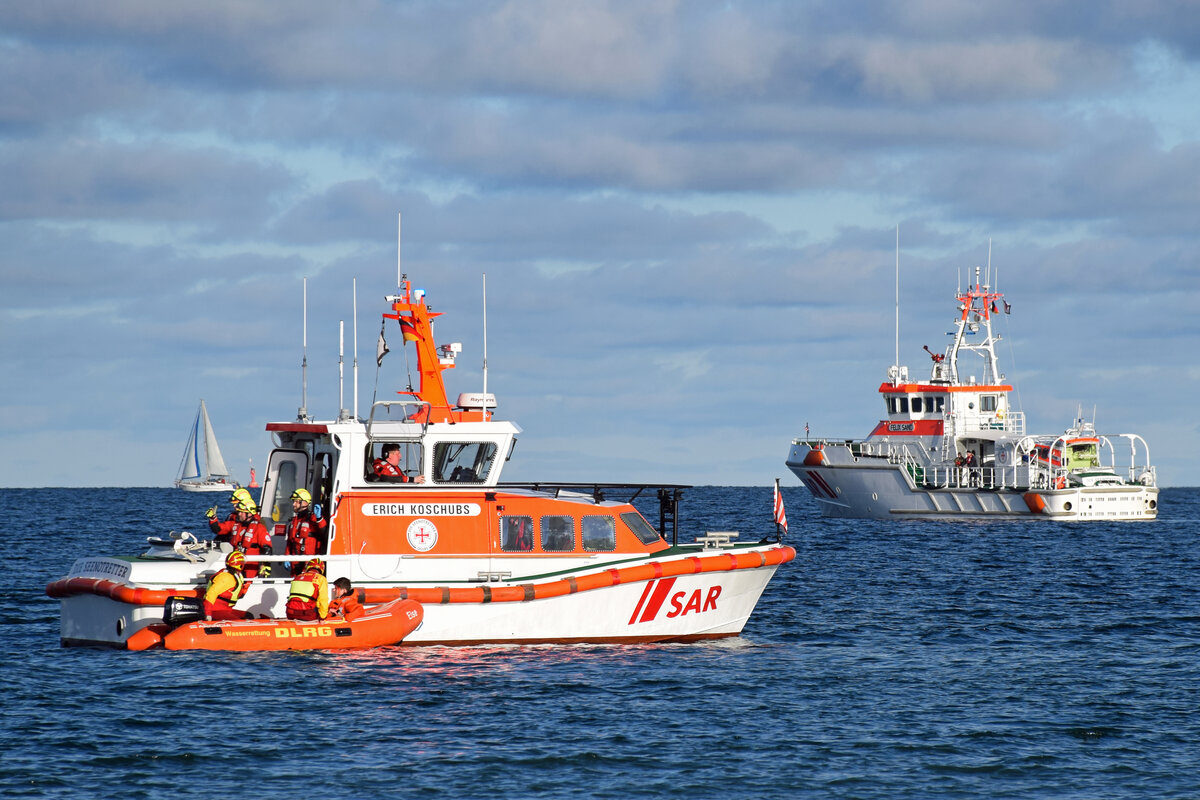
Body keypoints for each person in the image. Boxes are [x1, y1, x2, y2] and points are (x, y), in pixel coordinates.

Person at [208, 494, 274, 578]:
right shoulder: (235, 524)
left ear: (249, 513)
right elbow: (219, 529)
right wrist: (213, 518)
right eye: (239, 511)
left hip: (251, 567)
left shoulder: (259, 528)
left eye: (242, 512)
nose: (239, 514)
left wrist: (265, 565)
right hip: (236, 565)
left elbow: (267, 548)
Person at [284, 488, 328, 576]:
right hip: (295, 563)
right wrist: (287, 556)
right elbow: (290, 542)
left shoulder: (312, 518)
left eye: (296, 502)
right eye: (294, 501)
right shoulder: (294, 521)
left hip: (309, 562)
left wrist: (319, 518)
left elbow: (325, 532)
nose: (293, 504)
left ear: (304, 503)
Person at [204, 550, 252, 621]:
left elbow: (239, 595)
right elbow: (211, 593)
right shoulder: (226, 577)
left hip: (226, 609)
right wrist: (208, 614)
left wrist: (245, 587)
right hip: (215, 610)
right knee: (239, 622)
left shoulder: (236, 576)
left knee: (248, 616)